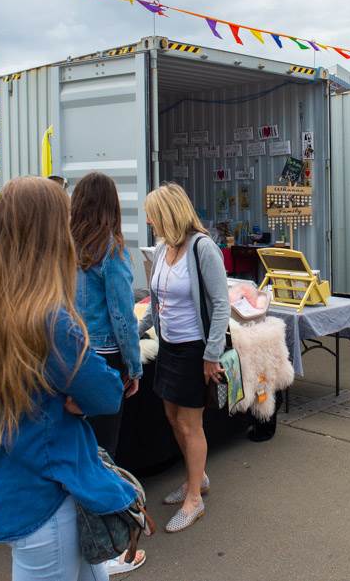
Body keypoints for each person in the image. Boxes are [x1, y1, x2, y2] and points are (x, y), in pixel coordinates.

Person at [0, 177, 141, 581]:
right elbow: (107, 393)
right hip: (48, 499)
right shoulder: (51, 321)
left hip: (14, 482)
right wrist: (77, 394)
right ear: (50, 232)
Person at [138, 183, 229, 533]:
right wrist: (139, 328)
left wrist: (211, 355)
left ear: (168, 214)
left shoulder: (203, 248)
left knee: (191, 424)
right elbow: (156, 299)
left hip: (194, 350)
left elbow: (220, 305)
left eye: (153, 215)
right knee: (172, 416)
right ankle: (198, 477)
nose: (149, 220)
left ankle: (194, 499)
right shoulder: (163, 250)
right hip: (169, 347)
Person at [70, 173, 143, 460]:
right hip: (103, 356)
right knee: (102, 446)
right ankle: (99, 504)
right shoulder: (111, 249)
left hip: (68, 350)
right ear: (112, 206)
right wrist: (134, 367)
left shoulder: (64, 246)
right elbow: (123, 317)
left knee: (74, 440)